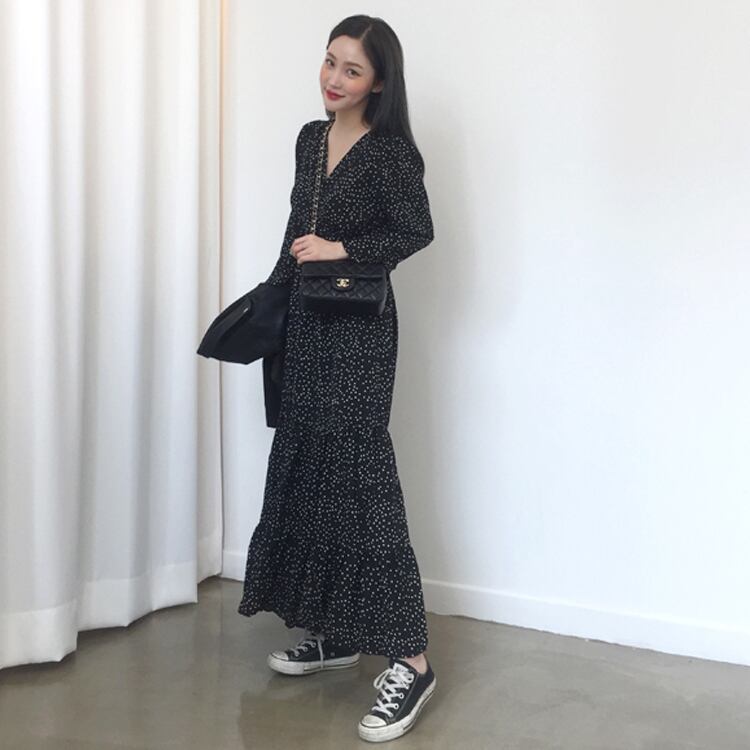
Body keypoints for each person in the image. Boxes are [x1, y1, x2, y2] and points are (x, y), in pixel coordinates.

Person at [237, 14, 436, 743]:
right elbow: (297, 228)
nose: (334, 79)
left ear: (378, 82)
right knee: (310, 469)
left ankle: (412, 662)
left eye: (352, 70)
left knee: (360, 481)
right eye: (329, 62)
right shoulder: (309, 139)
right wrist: (267, 307)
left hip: (358, 333)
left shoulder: (392, 152)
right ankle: (336, 632)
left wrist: (341, 246)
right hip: (305, 324)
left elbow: (415, 231)